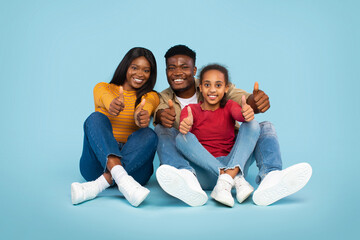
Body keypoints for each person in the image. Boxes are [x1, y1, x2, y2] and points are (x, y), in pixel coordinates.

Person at [154, 44, 312, 207]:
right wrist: (165, 117)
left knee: (263, 126)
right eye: (171, 68)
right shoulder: (165, 98)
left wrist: (252, 105)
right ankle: (188, 178)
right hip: (198, 168)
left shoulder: (214, 83)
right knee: (165, 130)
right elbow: (160, 111)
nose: (177, 72)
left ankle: (271, 178)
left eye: (184, 67)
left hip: (234, 158)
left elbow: (243, 101)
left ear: (194, 71)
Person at [71, 47, 160, 207]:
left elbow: (149, 106)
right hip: (96, 164)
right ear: (125, 67)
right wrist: (112, 104)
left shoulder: (151, 96)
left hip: (136, 168)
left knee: (149, 134)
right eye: (134, 68)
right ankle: (121, 179)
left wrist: (142, 114)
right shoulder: (103, 88)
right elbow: (104, 98)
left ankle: (97, 186)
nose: (140, 74)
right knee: (95, 118)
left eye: (146, 70)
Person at [176, 64, 260, 207]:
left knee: (253, 124)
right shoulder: (190, 109)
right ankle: (231, 177)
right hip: (206, 171)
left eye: (218, 85)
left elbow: (240, 115)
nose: (213, 90)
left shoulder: (229, 105)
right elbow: (185, 122)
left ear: (226, 88)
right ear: (200, 88)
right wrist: (186, 124)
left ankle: (228, 176)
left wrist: (246, 113)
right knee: (180, 137)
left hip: (233, 162)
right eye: (207, 85)